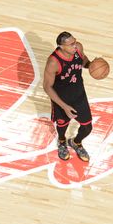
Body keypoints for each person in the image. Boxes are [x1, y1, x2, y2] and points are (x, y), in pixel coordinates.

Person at [43, 31, 95, 162]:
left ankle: (76, 142)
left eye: (75, 42)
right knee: (62, 126)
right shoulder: (53, 62)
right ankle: (62, 142)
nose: (75, 46)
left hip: (78, 94)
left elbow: (83, 60)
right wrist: (64, 107)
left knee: (88, 127)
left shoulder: (78, 48)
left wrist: (92, 66)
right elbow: (47, 87)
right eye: (71, 44)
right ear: (61, 46)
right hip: (61, 99)